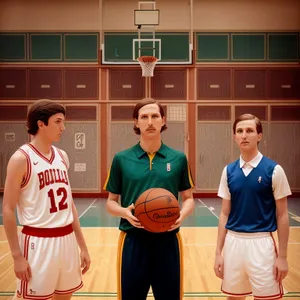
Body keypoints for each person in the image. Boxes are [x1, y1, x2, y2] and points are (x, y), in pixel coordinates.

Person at [104, 98, 195, 300]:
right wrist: (124, 212)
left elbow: (188, 198)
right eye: (144, 117)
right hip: (133, 240)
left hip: (168, 240)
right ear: (136, 122)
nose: (150, 121)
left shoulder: (178, 158)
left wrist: (182, 214)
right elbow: (110, 202)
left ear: (163, 120)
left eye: (155, 116)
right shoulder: (121, 158)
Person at [3, 99, 91, 300]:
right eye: (58, 122)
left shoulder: (62, 156)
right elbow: (8, 208)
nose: (63, 127)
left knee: (64, 297)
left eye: (63, 122)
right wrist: (17, 256)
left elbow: (70, 206)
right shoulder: (21, 159)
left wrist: (83, 247)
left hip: (66, 240)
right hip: (38, 242)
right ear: (41, 123)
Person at [214, 113, 291, 300]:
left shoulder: (274, 170)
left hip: (262, 243)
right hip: (233, 243)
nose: (244, 135)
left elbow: (282, 215)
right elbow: (224, 213)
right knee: (234, 297)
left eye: (249, 130)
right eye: (239, 131)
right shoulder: (228, 171)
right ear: (234, 137)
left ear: (259, 135)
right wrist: (218, 253)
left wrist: (282, 256)